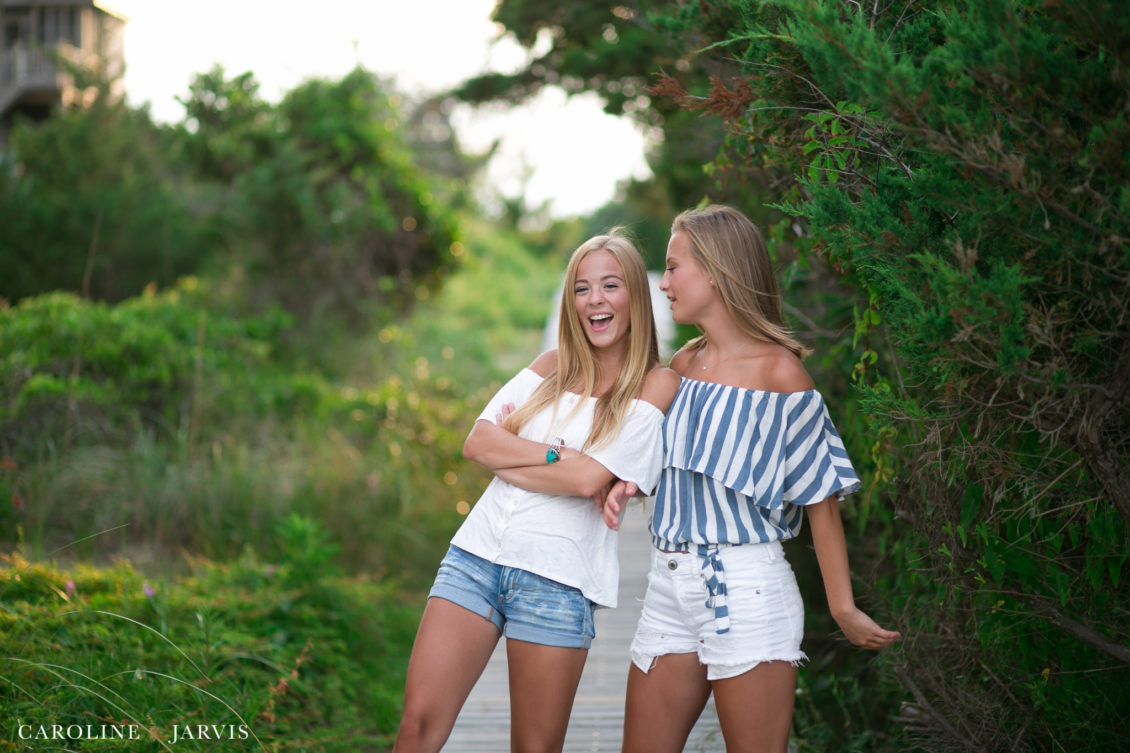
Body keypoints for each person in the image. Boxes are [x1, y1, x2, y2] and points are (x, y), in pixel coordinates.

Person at [600, 205, 901, 753]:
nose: (663, 284)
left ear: (714, 270)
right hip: (668, 585)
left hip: (747, 589)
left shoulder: (780, 374)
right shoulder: (684, 365)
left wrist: (842, 608)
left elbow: (820, 501)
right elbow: (659, 462)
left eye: (673, 268)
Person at [391, 231, 681, 753]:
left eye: (610, 285)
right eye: (581, 288)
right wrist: (554, 454)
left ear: (636, 296)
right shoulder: (550, 366)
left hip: (558, 581)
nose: (595, 300)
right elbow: (478, 443)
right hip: (475, 559)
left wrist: (520, 459)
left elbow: (587, 481)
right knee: (416, 729)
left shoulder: (654, 384)